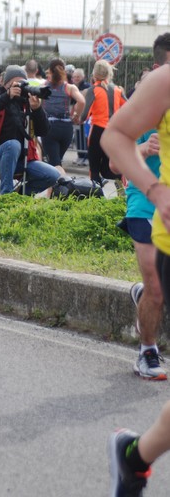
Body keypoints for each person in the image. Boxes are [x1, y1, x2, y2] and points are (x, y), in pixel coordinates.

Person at [102, 32, 170, 493]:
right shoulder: (162, 83)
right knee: (154, 284)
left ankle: (136, 454)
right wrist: (154, 186)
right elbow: (113, 144)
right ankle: (147, 344)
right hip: (152, 211)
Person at [116, 128, 166, 380]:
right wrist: (145, 148)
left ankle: (141, 293)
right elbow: (115, 162)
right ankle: (147, 352)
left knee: (160, 287)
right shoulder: (147, 112)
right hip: (144, 206)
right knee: (156, 288)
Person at [0, 64, 61, 195]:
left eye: (23, 83)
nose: (21, 87)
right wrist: (6, 97)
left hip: (23, 161)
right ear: (6, 84)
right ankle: (6, 195)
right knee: (13, 144)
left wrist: (37, 109)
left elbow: (43, 131)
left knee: (53, 175)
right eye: (17, 84)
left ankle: (19, 196)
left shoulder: (26, 105)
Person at [81, 59, 127, 187]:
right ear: (109, 74)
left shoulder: (93, 90)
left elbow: (84, 115)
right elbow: (129, 107)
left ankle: (96, 198)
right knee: (110, 168)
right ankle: (121, 192)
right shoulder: (117, 90)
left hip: (97, 131)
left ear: (94, 74)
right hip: (114, 133)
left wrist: (78, 118)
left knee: (94, 168)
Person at [41, 58, 85, 167]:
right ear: (64, 70)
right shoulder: (69, 87)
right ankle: (57, 182)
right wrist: (76, 116)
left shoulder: (43, 86)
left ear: (49, 71)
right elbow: (81, 101)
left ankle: (60, 182)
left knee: (54, 163)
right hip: (66, 127)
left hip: (49, 127)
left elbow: (35, 102)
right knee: (57, 161)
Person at [72, 68, 91, 166]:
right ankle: (80, 156)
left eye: (78, 77)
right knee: (78, 137)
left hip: (85, 116)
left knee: (84, 137)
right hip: (76, 116)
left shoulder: (87, 86)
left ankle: (86, 157)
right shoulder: (72, 86)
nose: (76, 78)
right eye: (74, 77)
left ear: (83, 77)